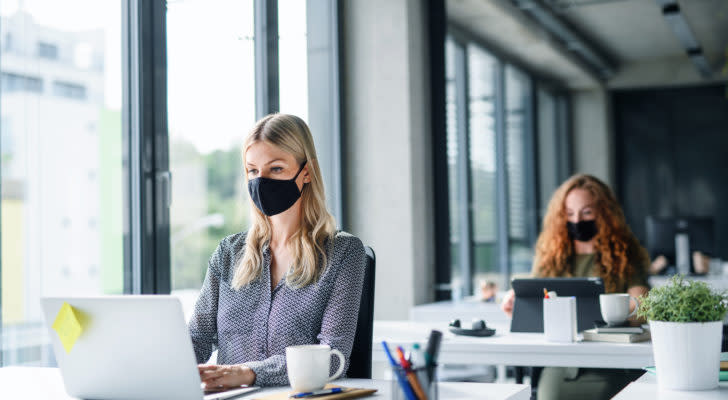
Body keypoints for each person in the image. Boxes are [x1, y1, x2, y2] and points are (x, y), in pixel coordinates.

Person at [188, 114, 366, 389]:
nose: (262, 181)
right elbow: (197, 338)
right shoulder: (228, 253)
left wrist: (248, 373)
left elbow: (333, 357)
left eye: (276, 169)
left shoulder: (343, 253)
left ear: (306, 172)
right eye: (253, 171)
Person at [500, 174, 649, 400]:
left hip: (613, 361)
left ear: (605, 213)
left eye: (587, 212)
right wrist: (517, 302)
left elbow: (641, 305)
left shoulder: (626, 254)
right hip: (563, 362)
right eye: (570, 214)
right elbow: (534, 296)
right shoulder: (551, 256)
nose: (577, 220)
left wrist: (626, 309)